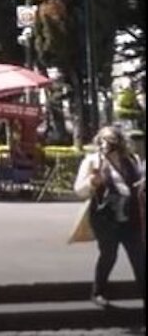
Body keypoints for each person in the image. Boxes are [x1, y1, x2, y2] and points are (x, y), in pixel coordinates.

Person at [73, 125, 145, 307]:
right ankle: (98, 292)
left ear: (119, 142)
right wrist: (92, 182)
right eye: (103, 140)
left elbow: (136, 184)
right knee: (108, 255)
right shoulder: (92, 162)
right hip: (105, 217)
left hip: (131, 215)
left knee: (139, 258)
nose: (106, 144)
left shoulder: (131, 160)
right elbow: (79, 191)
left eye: (110, 140)